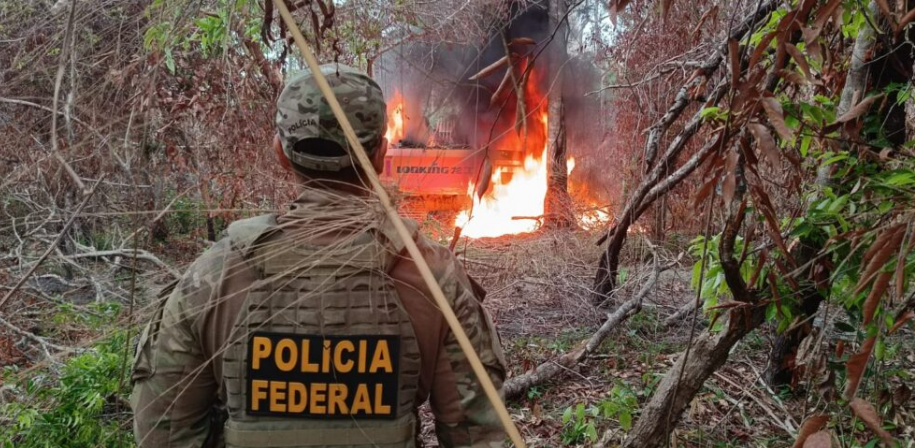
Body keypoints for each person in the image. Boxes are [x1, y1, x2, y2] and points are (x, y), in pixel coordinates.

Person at [130, 64, 507, 448]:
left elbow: (162, 433)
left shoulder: (213, 276)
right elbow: (479, 434)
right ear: (380, 155)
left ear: (281, 153)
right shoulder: (433, 275)